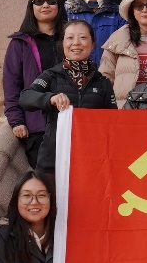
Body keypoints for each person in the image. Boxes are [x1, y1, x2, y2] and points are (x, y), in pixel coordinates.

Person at [19, 20, 117, 176]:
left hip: (90, 163)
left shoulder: (102, 82)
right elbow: (26, 97)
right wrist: (50, 98)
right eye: (70, 38)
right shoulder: (51, 76)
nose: (76, 43)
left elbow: (113, 122)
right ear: (63, 43)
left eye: (83, 38)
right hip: (52, 161)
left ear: (92, 44)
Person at [3, 0, 66, 168]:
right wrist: (16, 121)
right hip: (37, 126)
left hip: (69, 123)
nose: (45, 5)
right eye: (39, 1)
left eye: (51, 1)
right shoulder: (20, 43)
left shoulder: (70, 39)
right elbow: (12, 85)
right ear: (32, 6)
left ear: (59, 5)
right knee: (45, 179)